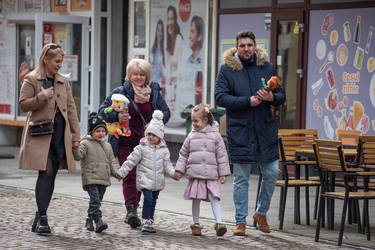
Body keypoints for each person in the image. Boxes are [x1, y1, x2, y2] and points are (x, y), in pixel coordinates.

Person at [215, 30, 286, 236]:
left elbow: (281, 95)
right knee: (241, 179)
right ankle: (240, 222)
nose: (246, 49)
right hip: (241, 131)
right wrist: (248, 101)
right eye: (242, 45)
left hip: (264, 129)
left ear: (255, 46)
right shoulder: (227, 69)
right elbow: (220, 97)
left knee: (272, 172)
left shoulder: (266, 66)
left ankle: (261, 213)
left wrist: (270, 98)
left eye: (249, 45)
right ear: (236, 48)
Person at [98, 58, 170, 229]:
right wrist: (116, 116)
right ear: (129, 75)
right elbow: (102, 111)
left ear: (147, 76)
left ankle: (136, 207)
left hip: (148, 143)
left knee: (142, 176)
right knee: (129, 175)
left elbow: (166, 112)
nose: (138, 77)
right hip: (125, 141)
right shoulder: (120, 92)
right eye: (135, 74)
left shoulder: (154, 93)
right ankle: (131, 210)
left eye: (142, 74)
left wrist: (156, 121)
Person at [19, 43, 80, 234]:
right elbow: (23, 105)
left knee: (52, 175)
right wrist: (42, 97)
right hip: (40, 134)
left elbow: (71, 109)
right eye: (56, 61)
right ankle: (43, 217)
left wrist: (76, 136)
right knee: (45, 172)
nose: (60, 64)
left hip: (60, 134)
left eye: (61, 61)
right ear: (46, 59)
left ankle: (39, 214)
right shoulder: (31, 79)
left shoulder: (63, 81)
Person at [175, 104, 231, 237]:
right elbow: (183, 154)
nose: (193, 124)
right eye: (192, 120)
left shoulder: (216, 136)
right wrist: (179, 170)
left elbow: (222, 155)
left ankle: (219, 223)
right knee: (196, 198)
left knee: (214, 197)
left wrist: (223, 173)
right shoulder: (191, 136)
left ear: (205, 120)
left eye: (196, 121)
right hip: (196, 174)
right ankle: (196, 224)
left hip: (211, 174)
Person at [118, 110, 177, 233]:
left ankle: (150, 220)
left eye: (154, 135)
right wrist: (121, 172)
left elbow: (168, 165)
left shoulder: (164, 150)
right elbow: (130, 161)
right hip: (145, 180)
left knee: (153, 201)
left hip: (157, 182)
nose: (150, 137)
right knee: (148, 199)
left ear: (159, 137)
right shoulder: (141, 148)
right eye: (149, 134)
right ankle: (145, 221)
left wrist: (174, 173)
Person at [73, 113, 123, 233]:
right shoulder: (85, 143)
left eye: (103, 131)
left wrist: (116, 173)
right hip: (90, 177)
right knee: (95, 200)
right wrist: (74, 148)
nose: (101, 133)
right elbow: (78, 156)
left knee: (97, 201)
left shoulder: (108, 146)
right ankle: (98, 221)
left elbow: (112, 162)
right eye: (98, 131)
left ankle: (89, 219)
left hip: (103, 178)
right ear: (91, 132)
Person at [165, 5, 184, 124]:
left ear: (175, 20)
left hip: (177, 77)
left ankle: (174, 116)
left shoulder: (178, 37)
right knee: (169, 100)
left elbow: (175, 60)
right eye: (168, 19)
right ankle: (171, 116)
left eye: (171, 19)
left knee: (174, 101)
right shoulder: (169, 38)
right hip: (170, 77)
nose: (169, 22)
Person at [151, 20, 165, 86]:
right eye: (158, 30)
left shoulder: (164, 50)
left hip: (160, 84)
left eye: (161, 31)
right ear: (156, 31)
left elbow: (165, 73)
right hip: (152, 83)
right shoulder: (152, 49)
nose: (160, 33)